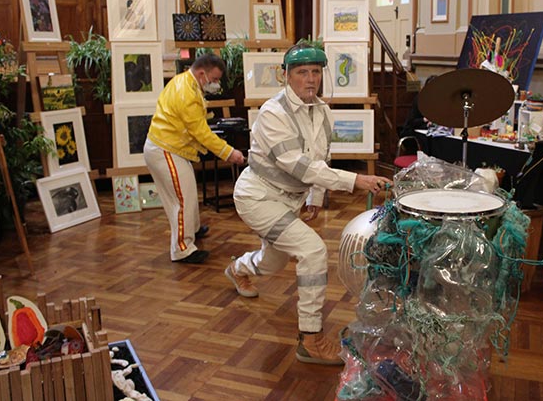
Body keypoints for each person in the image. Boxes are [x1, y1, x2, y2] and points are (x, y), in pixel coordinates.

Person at [225, 43, 393, 365]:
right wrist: (357, 181)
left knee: (271, 263)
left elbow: (320, 159)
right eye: (302, 72)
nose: (311, 79)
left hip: (289, 200)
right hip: (258, 197)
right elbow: (298, 166)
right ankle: (311, 339)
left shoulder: (324, 111)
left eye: (316, 71)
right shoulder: (272, 113)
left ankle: (236, 269)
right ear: (286, 75)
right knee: (313, 251)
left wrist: (315, 198)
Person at [144, 53, 245, 264]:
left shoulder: (185, 82)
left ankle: (194, 229)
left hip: (169, 147)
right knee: (182, 199)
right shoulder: (186, 92)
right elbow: (201, 133)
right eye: (215, 79)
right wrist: (230, 153)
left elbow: (194, 121)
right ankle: (182, 249)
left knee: (186, 192)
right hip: (166, 149)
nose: (216, 84)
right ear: (202, 73)